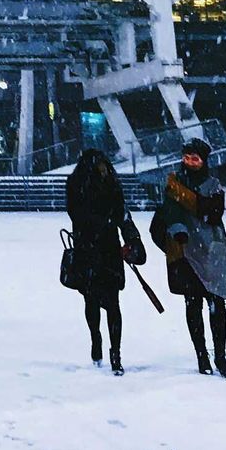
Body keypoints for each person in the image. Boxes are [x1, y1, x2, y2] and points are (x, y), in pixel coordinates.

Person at [150, 138, 226, 378]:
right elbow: (169, 212)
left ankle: (219, 356)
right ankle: (202, 357)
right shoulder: (174, 184)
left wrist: (183, 197)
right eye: (186, 158)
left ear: (204, 161)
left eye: (195, 159)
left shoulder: (212, 185)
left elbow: (213, 213)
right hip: (185, 250)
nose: (189, 163)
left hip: (211, 250)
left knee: (217, 302)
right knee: (193, 303)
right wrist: (177, 225)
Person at [66, 150, 146, 376]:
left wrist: (132, 238)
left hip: (108, 250)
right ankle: (96, 339)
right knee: (92, 300)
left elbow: (123, 214)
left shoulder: (110, 184)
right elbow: (79, 216)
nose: (103, 171)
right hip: (90, 250)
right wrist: (109, 224)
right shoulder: (77, 185)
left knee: (112, 303)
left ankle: (115, 352)